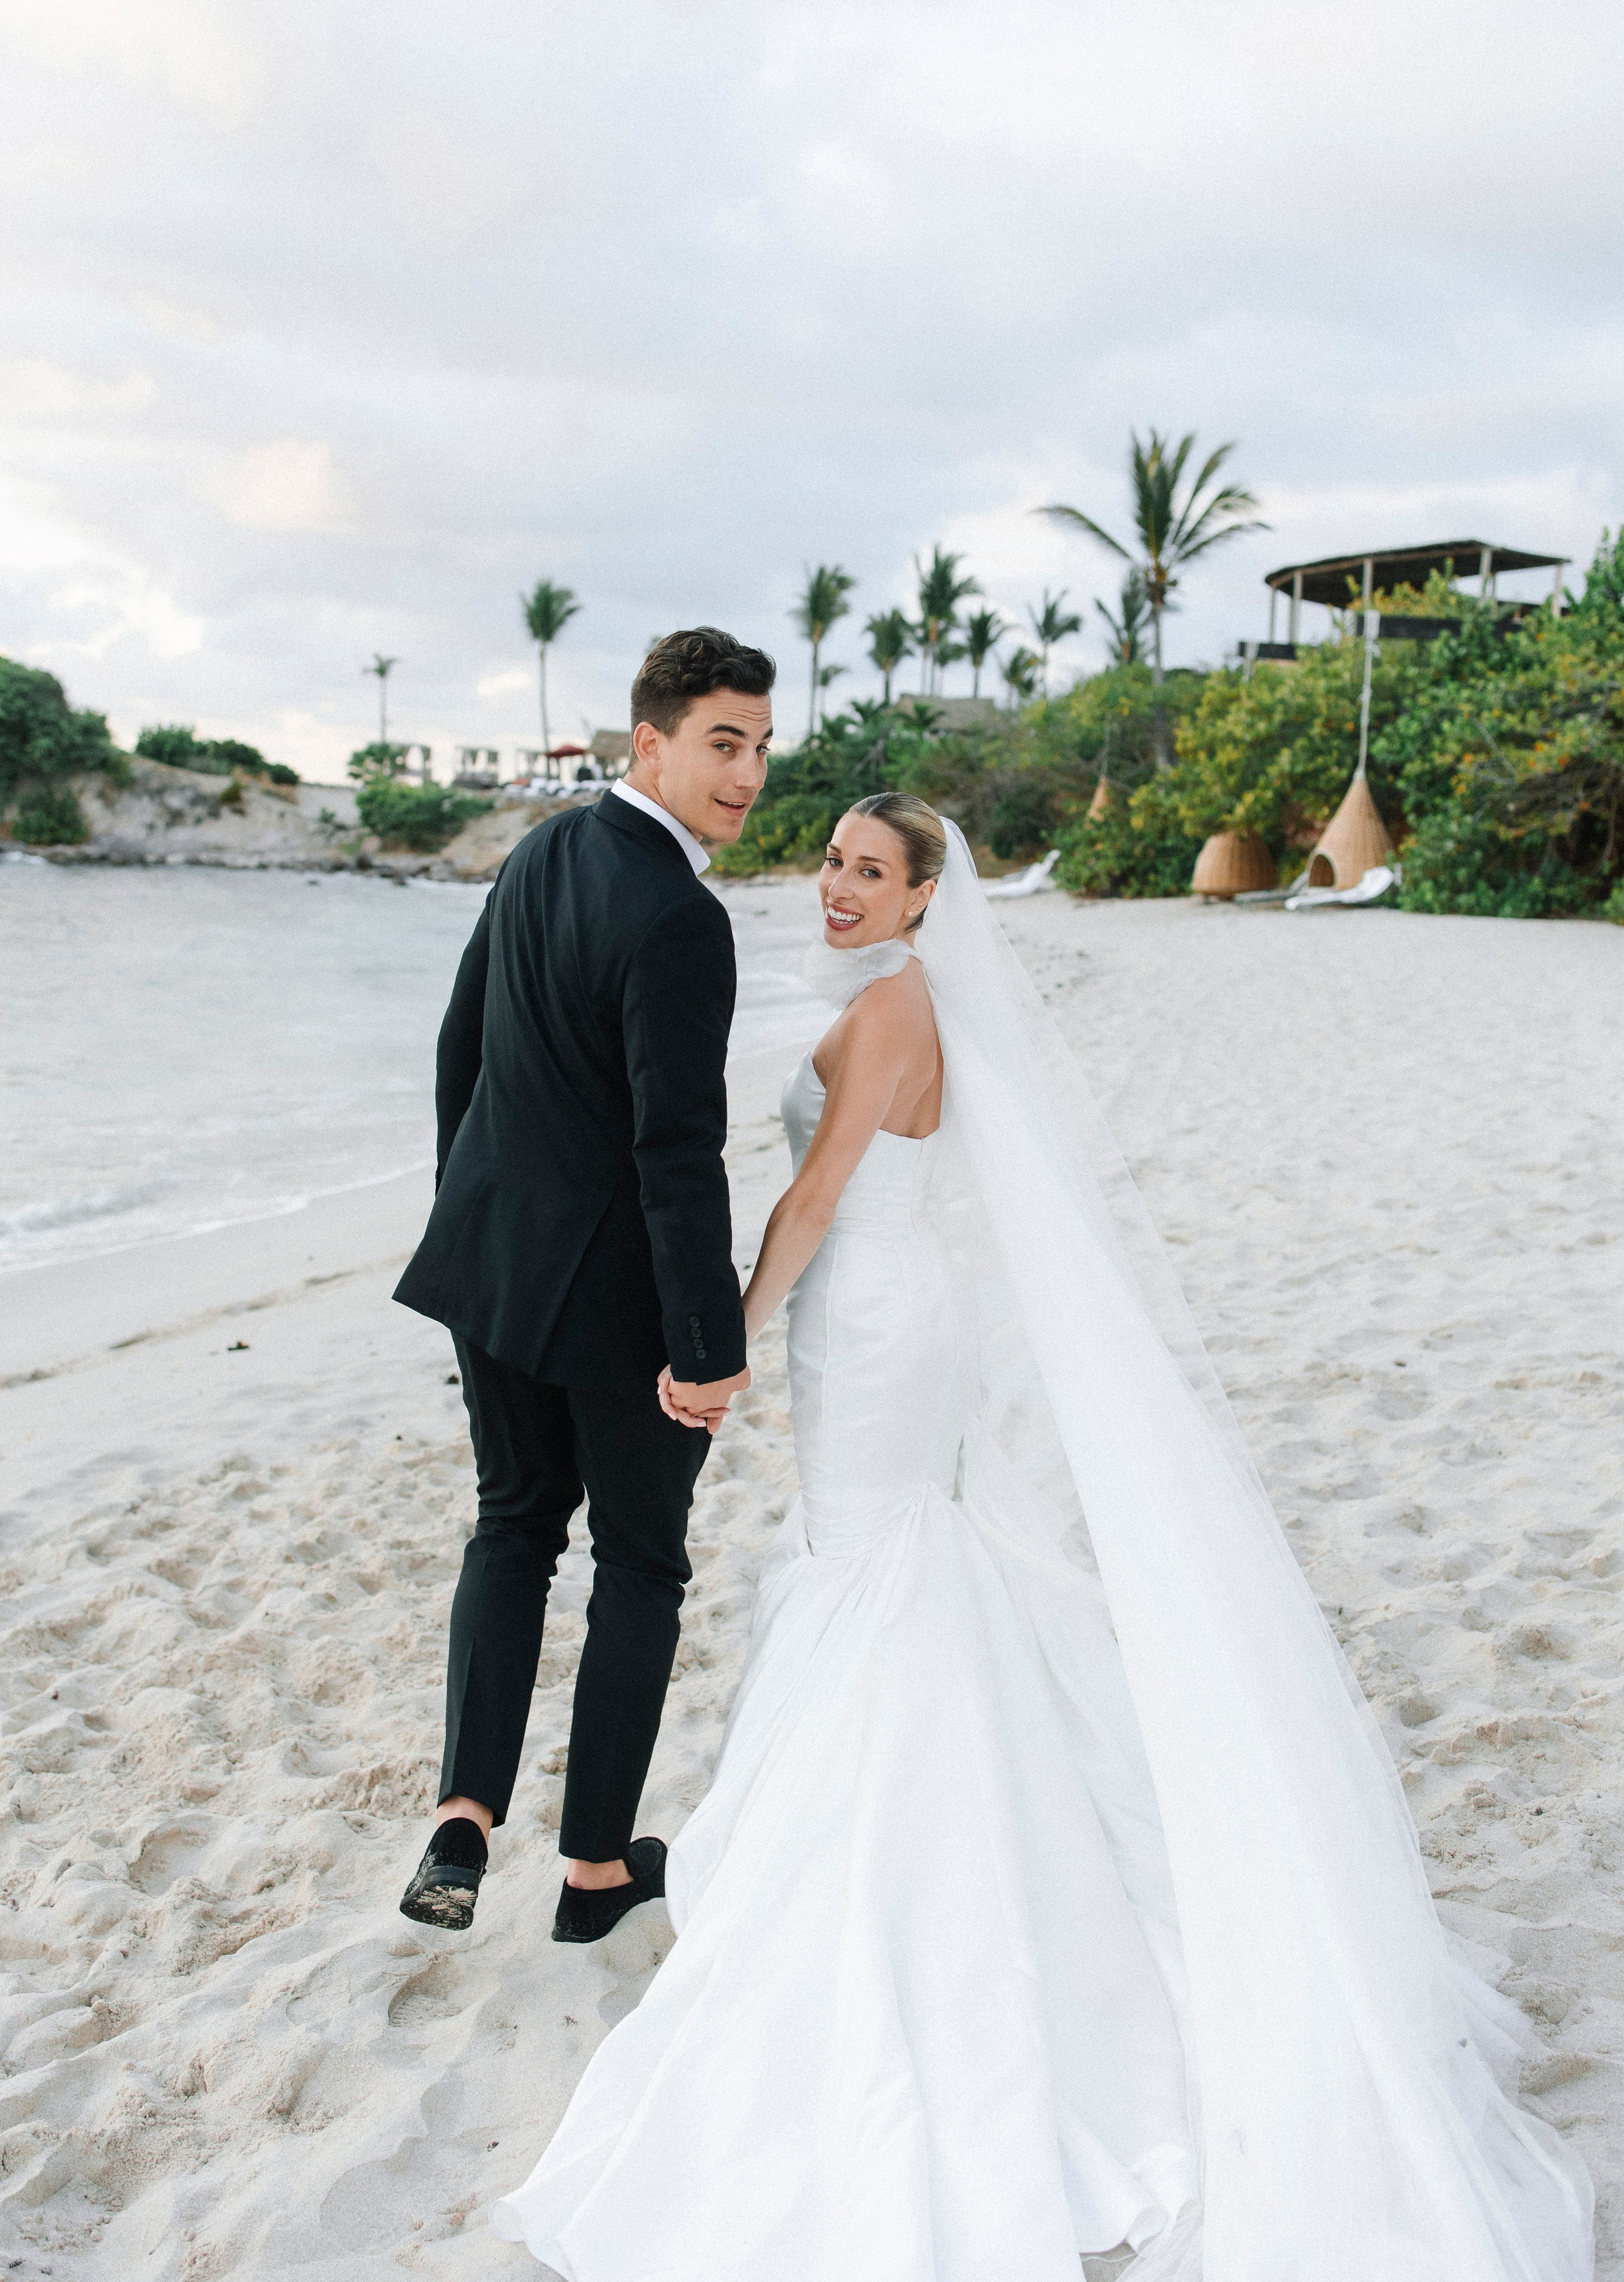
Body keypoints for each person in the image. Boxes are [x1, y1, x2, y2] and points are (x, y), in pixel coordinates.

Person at [491, 791, 1594, 2281]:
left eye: (869, 870)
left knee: (875, 1570)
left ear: (923, 896)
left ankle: (893, 1871)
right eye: (830, 860)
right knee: (897, 1567)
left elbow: (813, 1200)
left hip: (868, 1325)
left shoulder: (892, 1009)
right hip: (887, 1318)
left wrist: (721, 1346)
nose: (835, 885)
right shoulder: (911, 1000)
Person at [391, 627, 773, 1943]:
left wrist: (468, 1211)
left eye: (761, 746)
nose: (747, 774)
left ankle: (463, 1817)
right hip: (615, 1304)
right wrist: (706, 1344)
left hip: (490, 1264)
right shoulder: (681, 918)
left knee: (510, 1528)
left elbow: (460, 1050)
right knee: (640, 1565)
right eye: (722, 743)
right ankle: (596, 1872)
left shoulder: (540, 851)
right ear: (650, 744)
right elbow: (678, 1153)